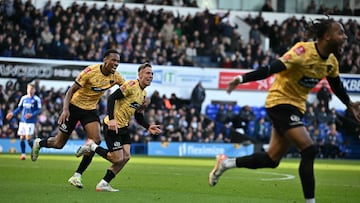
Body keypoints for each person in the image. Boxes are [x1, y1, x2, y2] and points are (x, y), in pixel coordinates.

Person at [208, 17, 360, 203]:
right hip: (279, 103)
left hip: (296, 108)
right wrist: (241, 79)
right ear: (327, 36)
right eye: (340, 33)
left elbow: (336, 85)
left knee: (271, 160)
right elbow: (270, 68)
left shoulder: (331, 62)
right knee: (309, 149)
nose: (345, 37)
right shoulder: (302, 51)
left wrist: (349, 104)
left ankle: (226, 163)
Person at [31, 49, 125, 189]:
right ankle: (40, 143)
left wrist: (141, 100)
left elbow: (127, 90)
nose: (116, 63)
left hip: (90, 110)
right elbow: (71, 90)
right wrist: (65, 109)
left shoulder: (116, 77)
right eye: (113, 60)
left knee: (95, 140)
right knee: (58, 144)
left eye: (118, 61)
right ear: (105, 60)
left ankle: (77, 176)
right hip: (73, 108)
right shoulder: (89, 72)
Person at [75, 63, 161, 192]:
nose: (151, 76)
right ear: (140, 74)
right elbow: (111, 98)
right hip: (112, 125)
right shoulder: (131, 85)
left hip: (123, 127)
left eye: (152, 74)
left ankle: (104, 183)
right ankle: (91, 146)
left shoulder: (143, 94)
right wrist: (112, 120)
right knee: (117, 158)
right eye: (148, 73)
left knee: (126, 157)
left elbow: (137, 115)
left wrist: (148, 126)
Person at [6, 83, 42, 160]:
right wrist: (12, 113)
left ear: (34, 90)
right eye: (29, 89)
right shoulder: (23, 98)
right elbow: (19, 108)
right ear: (27, 89)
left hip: (31, 122)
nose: (30, 90)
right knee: (22, 137)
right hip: (23, 121)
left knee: (28, 137)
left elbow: (39, 110)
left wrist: (31, 114)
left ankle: (34, 150)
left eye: (32, 89)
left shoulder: (36, 99)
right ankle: (23, 154)